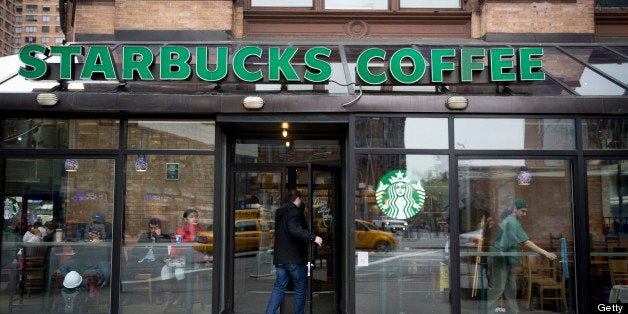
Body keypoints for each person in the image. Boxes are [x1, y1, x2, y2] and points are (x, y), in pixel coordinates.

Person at [486, 199, 557, 313]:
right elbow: (526, 242)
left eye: (526, 212)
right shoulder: (512, 222)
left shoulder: (512, 221)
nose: (525, 214)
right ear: (515, 209)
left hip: (506, 258)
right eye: (523, 211)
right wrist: (546, 253)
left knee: (511, 289)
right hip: (499, 258)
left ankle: (514, 312)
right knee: (497, 289)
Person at [265, 189, 323, 314]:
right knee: (300, 288)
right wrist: (313, 237)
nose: (301, 202)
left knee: (279, 287)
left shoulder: (281, 213)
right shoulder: (294, 212)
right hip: (294, 258)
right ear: (297, 199)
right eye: (300, 199)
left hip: (281, 258)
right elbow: (294, 229)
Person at [123, 217, 171, 305]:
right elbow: (134, 252)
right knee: (127, 267)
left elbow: (164, 254)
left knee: (158, 269)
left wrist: (159, 237)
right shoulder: (145, 236)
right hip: (142, 262)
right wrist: (144, 248)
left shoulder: (165, 237)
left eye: (155, 228)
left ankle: (158, 296)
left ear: (160, 228)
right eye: (151, 228)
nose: (153, 230)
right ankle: (127, 296)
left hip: (155, 262)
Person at [60, 212, 112, 288]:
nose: (96, 225)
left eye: (99, 223)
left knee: (107, 273)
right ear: (92, 221)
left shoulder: (109, 229)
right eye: (94, 223)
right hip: (85, 257)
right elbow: (75, 242)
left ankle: (103, 290)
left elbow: (115, 242)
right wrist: (86, 239)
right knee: (64, 268)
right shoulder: (85, 228)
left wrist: (103, 240)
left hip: (101, 258)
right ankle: (80, 284)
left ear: (103, 223)